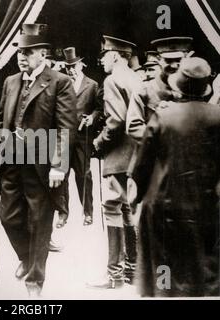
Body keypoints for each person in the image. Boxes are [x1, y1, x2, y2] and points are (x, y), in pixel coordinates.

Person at [0, 23, 77, 297]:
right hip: (11, 161)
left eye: (28, 51)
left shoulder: (59, 82)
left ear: (43, 53)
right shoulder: (11, 81)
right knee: (8, 216)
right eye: (20, 51)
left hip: (41, 165)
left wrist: (58, 165)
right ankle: (27, 258)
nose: (21, 56)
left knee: (40, 222)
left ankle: (35, 279)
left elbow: (66, 128)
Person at [130, 57, 220, 297]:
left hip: (164, 207)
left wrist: (135, 198)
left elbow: (142, 165)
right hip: (206, 207)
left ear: (179, 85)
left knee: (165, 272)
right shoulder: (217, 117)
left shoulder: (164, 116)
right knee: (202, 270)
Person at [91, 36, 141, 288]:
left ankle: (114, 275)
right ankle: (132, 270)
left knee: (111, 209)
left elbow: (116, 121)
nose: (100, 61)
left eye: (103, 56)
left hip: (118, 155)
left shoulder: (112, 80)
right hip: (136, 156)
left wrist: (98, 142)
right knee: (127, 210)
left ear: (114, 55)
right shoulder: (137, 77)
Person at [126, 37, 193, 143]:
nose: (174, 65)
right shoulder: (144, 89)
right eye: (168, 60)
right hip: (155, 154)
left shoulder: (192, 89)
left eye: (179, 60)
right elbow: (134, 126)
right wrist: (164, 141)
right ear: (159, 60)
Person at [63, 47, 102, 226]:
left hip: (82, 137)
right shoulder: (61, 83)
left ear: (81, 64)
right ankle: (63, 213)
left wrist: (92, 118)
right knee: (61, 175)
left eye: (74, 66)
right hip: (63, 136)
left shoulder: (92, 85)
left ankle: (88, 212)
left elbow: (100, 108)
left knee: (84, 175)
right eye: (67, 67)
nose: (71, 69)